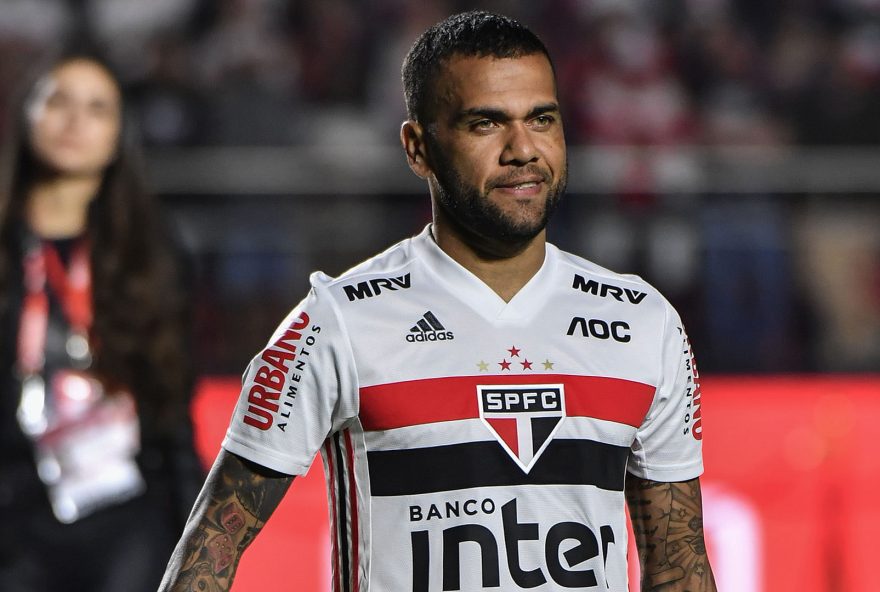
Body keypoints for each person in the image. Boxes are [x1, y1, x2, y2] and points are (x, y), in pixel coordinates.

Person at [160, 11, 717, 592]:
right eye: (486, 124)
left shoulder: (641, 321)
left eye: (542, 119)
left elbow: (680, 561)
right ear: (418, 147)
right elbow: (210, 549)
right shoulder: (337, 322)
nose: (523, 149)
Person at [0, 51, 203, 591]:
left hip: (127, 510)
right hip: (14, 515)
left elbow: (171, 407)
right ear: (26, 114)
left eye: (97, 108)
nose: (74, 121)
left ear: (119, 135)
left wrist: (199, 536)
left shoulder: (152, 251)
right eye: (58, 101)